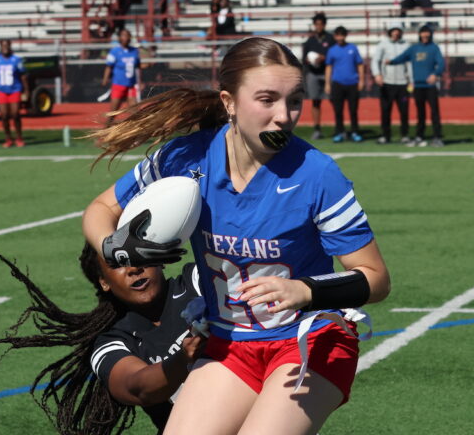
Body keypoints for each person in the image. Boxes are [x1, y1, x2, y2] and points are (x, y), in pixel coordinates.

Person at [83, 37, 391, 435]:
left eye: (294, 100)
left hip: (310, 339)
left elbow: (376, 279)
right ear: (229, 102)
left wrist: (305, 290)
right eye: (267, 99)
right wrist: (113, 247)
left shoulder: (318, 175)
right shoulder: (184, 158)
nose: (284, 116)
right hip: (228, 342)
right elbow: (100, 210)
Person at [0, 241, 206, 434]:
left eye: (138, 256)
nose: (133, 269)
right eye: (118, 264)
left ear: (159, 259)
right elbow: (137, 388)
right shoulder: (111, 341)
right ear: (104, 282)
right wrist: (183, 358)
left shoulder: (198, 280)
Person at [388, 25, 445, 147]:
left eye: (427, 34)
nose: (425, 36)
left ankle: (437, 137)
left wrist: (435, 74)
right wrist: (391, 61)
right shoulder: (414, 48)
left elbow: (441, 64)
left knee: (434, 112)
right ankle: (419, 136)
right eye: (423, 33)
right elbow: (402, 57)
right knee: (420, 113)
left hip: (430, 86)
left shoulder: (434, 48)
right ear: (419, 35)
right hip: (418, 86)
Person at [371, 22, 411, 144]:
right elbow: (375, 61)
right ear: (389, 32)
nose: (396, 33)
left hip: (402, 84)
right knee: (385, 110)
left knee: (404, 111)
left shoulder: (406, 45)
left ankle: (404, 135)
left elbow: (409, 63)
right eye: (393, 30)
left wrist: (410, 79)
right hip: (387, 84)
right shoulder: (383, 45)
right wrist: (377, 74)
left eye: (398, 30)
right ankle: (385, 135)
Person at [325, 26, 365, 143]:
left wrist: (361, 80)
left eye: (342, 35)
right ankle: (339, 132)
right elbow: (328, 67)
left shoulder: (353, 48)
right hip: (337, 84)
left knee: (353, 110)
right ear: (335, 36)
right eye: (338, 35)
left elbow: (360, 65)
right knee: (338, 110)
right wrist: (328, 84)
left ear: (345, 35)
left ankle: (355, 132)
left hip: (352, 83)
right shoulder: (332, 50)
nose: (340, 37)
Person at [0, 39, 29, 148]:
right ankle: (8, 138)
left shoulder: (16, 60)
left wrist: (26, 91)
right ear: (0, 47)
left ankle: (19, 137)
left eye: (7, 46)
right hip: (1, 90)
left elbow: (23, 76)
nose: (5, 48)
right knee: (4, 115)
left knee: (15, 113)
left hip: (14, 89)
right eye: (3, 46)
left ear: (10, 46)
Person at [302, 12, 335, 140]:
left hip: (328, 73)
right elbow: (304, 59)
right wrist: (310, 60)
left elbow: (334, 56)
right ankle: (317, 129)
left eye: (321, 24)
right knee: (315, 101)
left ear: (324, 25)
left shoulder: (330, 39)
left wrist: (324, 58)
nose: (318, 26)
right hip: (313, 74)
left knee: (334, 100)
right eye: (316, 24)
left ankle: (338, 128)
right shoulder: (310, 41)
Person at [102, 29, 142, 126]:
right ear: (120, 38)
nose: (126, 38)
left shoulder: (134, 51)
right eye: (123, 35)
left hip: (131, 85)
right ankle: (103, 135)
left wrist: (139, 82)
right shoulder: (115, 51)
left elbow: (137, 67)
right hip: (119, 85)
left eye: (127, 35)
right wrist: (105, 79)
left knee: (135, 113)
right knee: (113, 113)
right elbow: (109, 66)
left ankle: (135, 137)